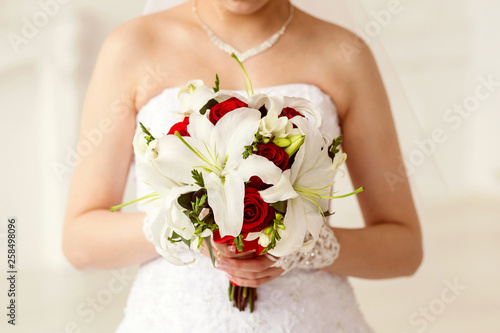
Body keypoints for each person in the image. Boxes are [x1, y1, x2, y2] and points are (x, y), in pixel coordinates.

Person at [63, 0, 422, 331]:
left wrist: (303, 246)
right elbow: (81, 243)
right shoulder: (133, 46)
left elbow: (404, 249)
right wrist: (192, 226)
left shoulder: (345, 54)